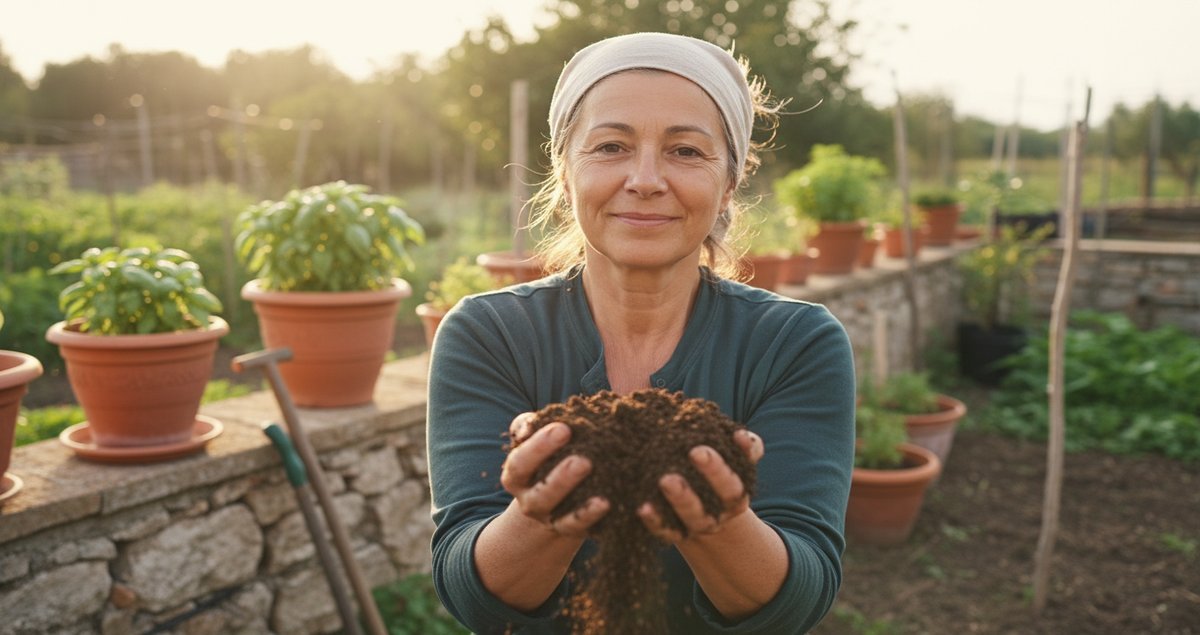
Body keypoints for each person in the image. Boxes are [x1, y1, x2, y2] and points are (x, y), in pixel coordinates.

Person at [426, 31, 855, 634]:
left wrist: (719, 520)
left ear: (729, 180)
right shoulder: (490, 333)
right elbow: (471, 596)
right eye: (609, 146)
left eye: (686, 151)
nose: (646, 179)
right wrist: (542, 515)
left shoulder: (794, 343)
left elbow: (800, 597)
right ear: (565, 171)